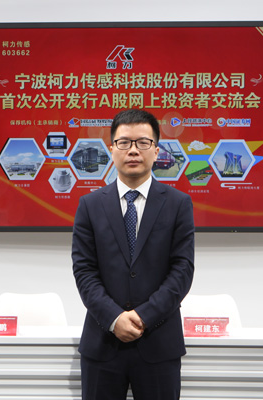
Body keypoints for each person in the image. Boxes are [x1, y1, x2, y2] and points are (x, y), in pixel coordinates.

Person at [72, 109, 195, 400]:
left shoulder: (178, 204)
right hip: (103, 342)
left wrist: (143, 316)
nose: (133, 150)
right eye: (124, 142)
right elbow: (84, 271)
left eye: (143, 142)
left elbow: (182, 270)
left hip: (159, 342)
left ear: (157, 150)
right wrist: (115, 318)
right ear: (111, 149)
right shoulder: (89, 205)